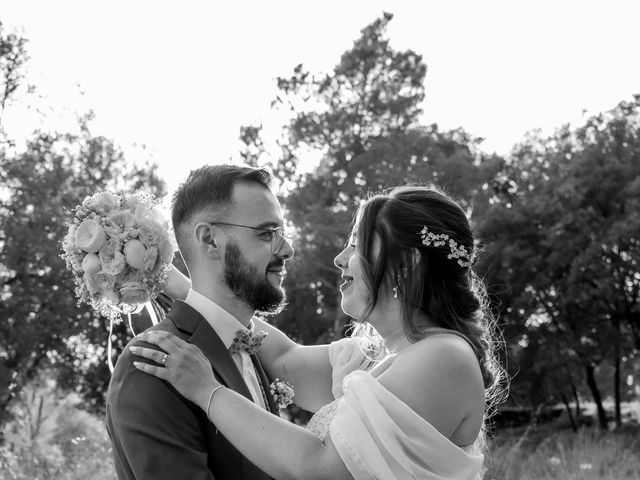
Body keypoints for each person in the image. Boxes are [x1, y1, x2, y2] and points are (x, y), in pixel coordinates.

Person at [132, 183, 506, 479]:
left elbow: (321, 469)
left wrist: (206, 390)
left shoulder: (443, 358)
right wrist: (171, 279)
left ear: (405, 265)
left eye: (357, 244)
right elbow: (283, 358)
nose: (340, 258)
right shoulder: (383, 359)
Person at [106, 164, 295, 479]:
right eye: (267, 233)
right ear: (209, 240)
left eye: (282, 234)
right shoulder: (154, 364)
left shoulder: (250, 349)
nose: (287, 250)